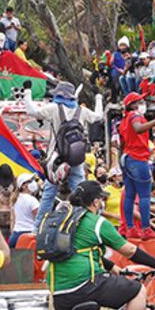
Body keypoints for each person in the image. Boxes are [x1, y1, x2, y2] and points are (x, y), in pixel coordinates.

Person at [47, 180, 155, 310]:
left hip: (59, 291)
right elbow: (129, 251)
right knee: (138, 291)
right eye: (101, 200)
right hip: (85, 285)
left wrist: (111, 267)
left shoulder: (65, 221)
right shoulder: (96, 222)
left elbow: (77, 251)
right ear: (96, 202)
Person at [26, 81, 103, 223]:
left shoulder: (54, 108)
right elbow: (98, 116)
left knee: (49, 195)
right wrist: (98, 98)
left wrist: (27, 92)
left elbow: (32, 111)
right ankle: (82, 223)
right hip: (76, 158)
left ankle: (37, 228)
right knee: (80, 192)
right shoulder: (82, 111)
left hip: (57, 159)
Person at [118, 92, 155, 239]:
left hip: (127, 158)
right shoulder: (135, 116)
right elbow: (139, 128)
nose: (142, 103)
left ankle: (130, 228)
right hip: (138, 158)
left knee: (129, 195)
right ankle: (146, 229)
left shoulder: (124, 119)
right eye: (140, 101)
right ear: (133, 104)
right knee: (145, 196)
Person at [9, 173, 40, 246]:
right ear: (23, 185)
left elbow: (12, 220)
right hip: (28, 236)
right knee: (26, 258)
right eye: (30, 181)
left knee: (15, 257)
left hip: (15, 235)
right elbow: (39, 219)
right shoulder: (32, 200)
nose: (33, 182)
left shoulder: (15, 199)